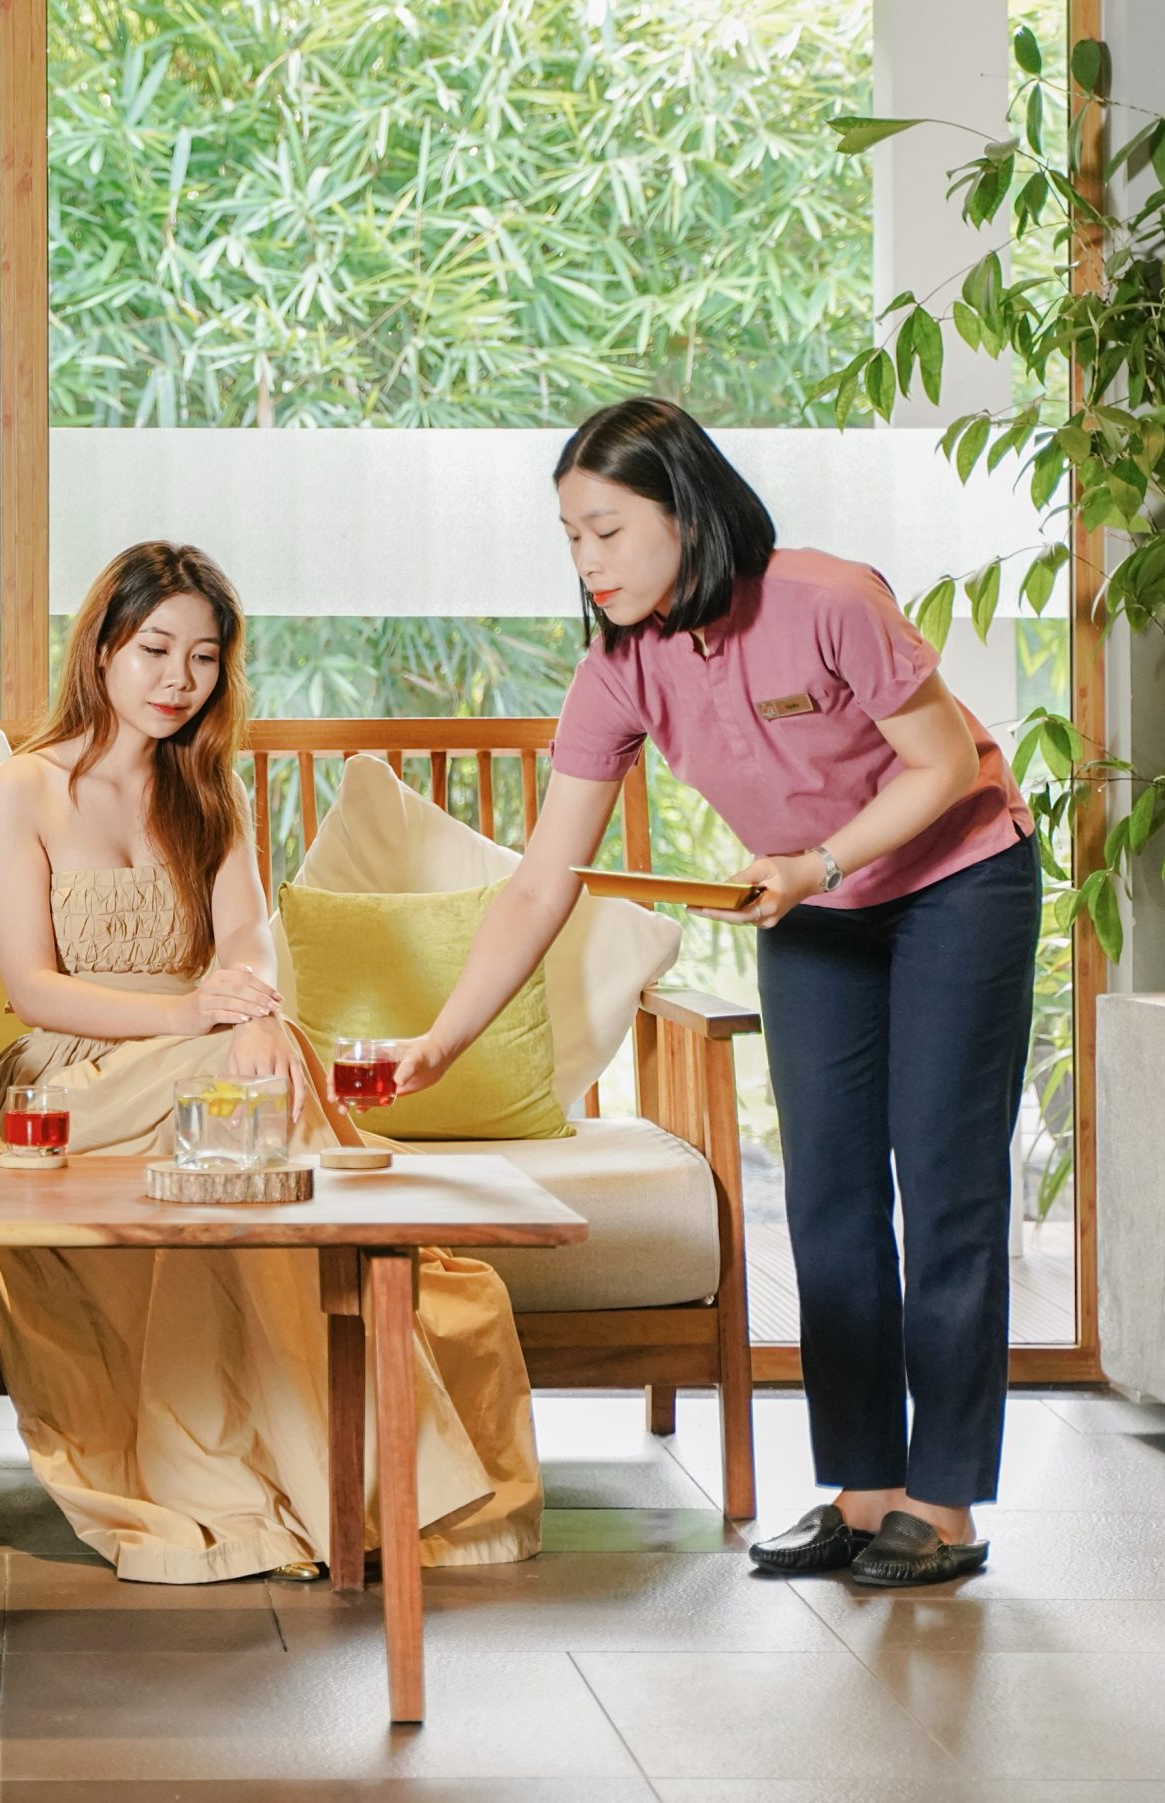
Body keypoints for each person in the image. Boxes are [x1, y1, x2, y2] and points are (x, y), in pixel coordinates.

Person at [392, 398, 1039, 1588]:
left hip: (956, 883)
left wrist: (817, 864)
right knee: (828, 1196)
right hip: (812, 909)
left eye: (607, 532)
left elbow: (945, 764)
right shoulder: (618, 669)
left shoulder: (826, 599)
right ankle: (864, 1494)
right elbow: (542, 882)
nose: (587, 563)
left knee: (945, 1186)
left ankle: (943, 1505)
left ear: (685, 515)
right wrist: (443, 1037)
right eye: (571, 538)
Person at [0, 540, 544, 1584]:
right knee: (235, 1090)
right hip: (66, 1078)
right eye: (154, 650)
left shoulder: (207, 787)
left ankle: (328, 1482)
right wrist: (195, 1014)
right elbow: (32, 988)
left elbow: (245, 941)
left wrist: (252, 1011)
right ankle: (307, 1486)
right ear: (101, 649)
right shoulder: (25, 788)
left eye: (203, 658)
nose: (178, 680)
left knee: (254, 1081)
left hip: (205, 1056)